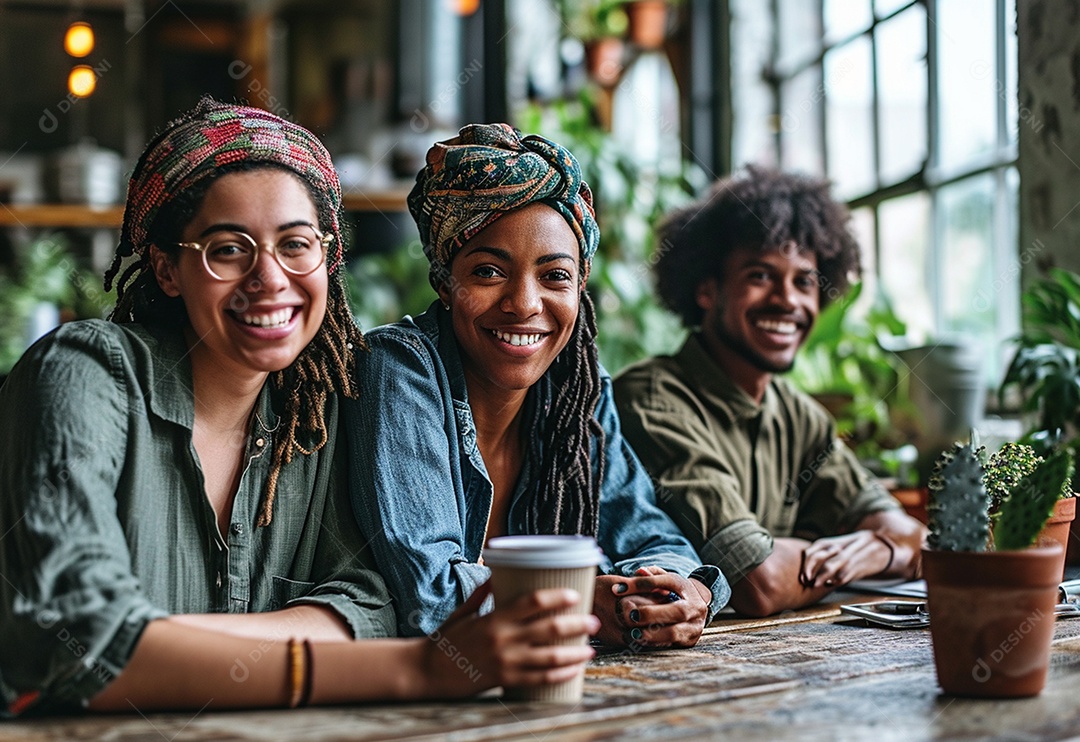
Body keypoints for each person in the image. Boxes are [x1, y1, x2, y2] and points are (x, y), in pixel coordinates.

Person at [0, 99, 596, 716]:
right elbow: (80, 642)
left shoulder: (315, 413)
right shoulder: (86, 375)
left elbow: (372, 602)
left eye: (296, 244)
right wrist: (419, 669)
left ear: (328, 261)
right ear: (167, 268)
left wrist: (168, 647)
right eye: (229, 249)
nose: (270, 279)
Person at [344, 123, 729, 649]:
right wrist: (577, 598)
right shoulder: (398, 368)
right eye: (487, 271)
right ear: (444, 280)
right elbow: (429, 599)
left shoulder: (578, 391)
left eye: (555, 276)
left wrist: (678, 591)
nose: (524, 304)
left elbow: (653, 536)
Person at [613, 166, 927, 618]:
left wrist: (878, 546)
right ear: (706, 290)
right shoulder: (652, 399)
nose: (788, 300)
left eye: (804, 281)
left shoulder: (801, 416)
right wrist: (846, 552)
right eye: (761, 276)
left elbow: (911, 537)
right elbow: (756, 583)